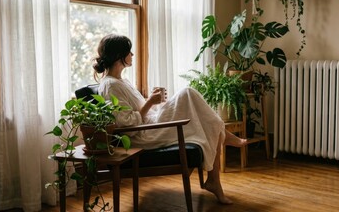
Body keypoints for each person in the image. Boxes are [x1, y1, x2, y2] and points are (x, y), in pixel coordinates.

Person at [93, 34, 247, 204]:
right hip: (142, 135)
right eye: (129, 51)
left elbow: (137, 109)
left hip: (149, 123)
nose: (133, 55)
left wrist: (153, 101)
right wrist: (151, 102)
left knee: (194, 104)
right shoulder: (110, 86)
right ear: (118, 56)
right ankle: (222, 141)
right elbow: (125, 122)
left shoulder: (122, 81)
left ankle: (214, 177)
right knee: (188, 94)